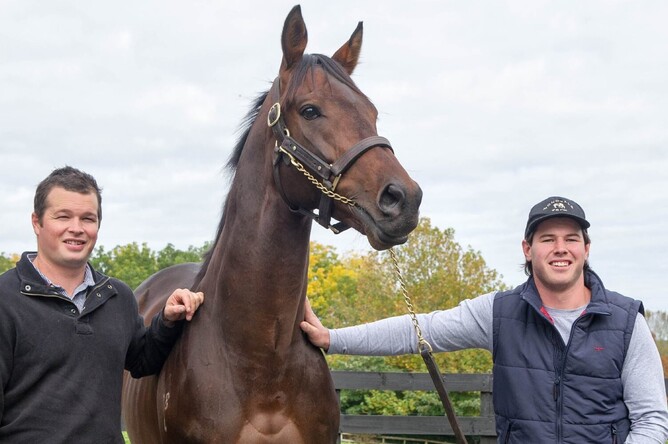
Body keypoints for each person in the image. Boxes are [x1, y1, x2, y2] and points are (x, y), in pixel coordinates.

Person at [301, 196, 668, 443]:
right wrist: (334, 338)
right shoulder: (499, 313)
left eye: (571, 239)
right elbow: (420, 329)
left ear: (586, 250)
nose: (560, 248)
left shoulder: (625, 321)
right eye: (547, 239)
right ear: (528, 249)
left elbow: (652, 419)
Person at [0, 166, 204, 443]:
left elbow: (143, 361)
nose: (77, 228)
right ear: (37, 222)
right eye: (63, 217)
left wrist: (167, 320)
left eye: (88, 219)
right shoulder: (5, 299)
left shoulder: (116, 296)